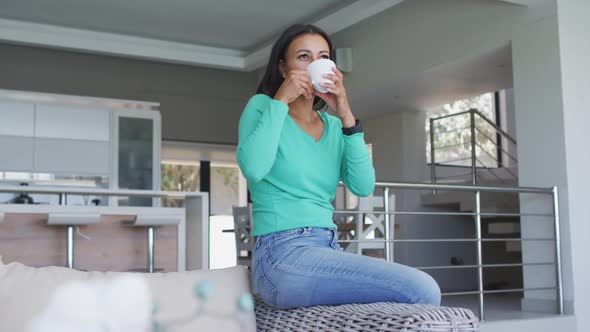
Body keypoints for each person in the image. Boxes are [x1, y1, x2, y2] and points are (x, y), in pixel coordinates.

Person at [236, 23, 441, 309]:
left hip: (327, 248)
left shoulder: (334, 127)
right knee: (422, 289)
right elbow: (254, 169)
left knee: (408, 298)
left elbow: (363, 185)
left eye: (323, 57)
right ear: (284, 68)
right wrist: (281, 98)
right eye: (304, 57)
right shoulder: (263, 108)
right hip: (280, 256)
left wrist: (344, 111)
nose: (315, 64)